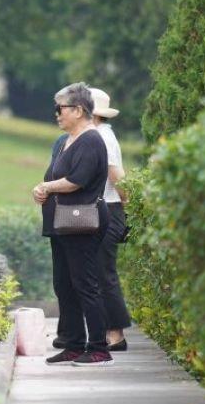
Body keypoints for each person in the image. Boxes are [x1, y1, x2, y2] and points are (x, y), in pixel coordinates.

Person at [32, 82, 113, 367]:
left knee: (85, 284)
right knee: (64, 284)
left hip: (82, 222)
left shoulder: (91, 140)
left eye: (60, 109)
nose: (57, 114)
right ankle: (74, 343)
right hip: (62, 222)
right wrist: (43, 190)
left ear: (78, 110)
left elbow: (77, 180)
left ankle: (100, 348)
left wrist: (47, 186)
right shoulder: (66, 140)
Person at [90, 88, 132, 350]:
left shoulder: (102, 137)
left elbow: (115, 175)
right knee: (99, 271)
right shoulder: (100, 135)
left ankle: (116, 334)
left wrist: (127, 205)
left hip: (110, 208)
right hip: (106, 208)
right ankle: (108, 331)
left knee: (105, 272)